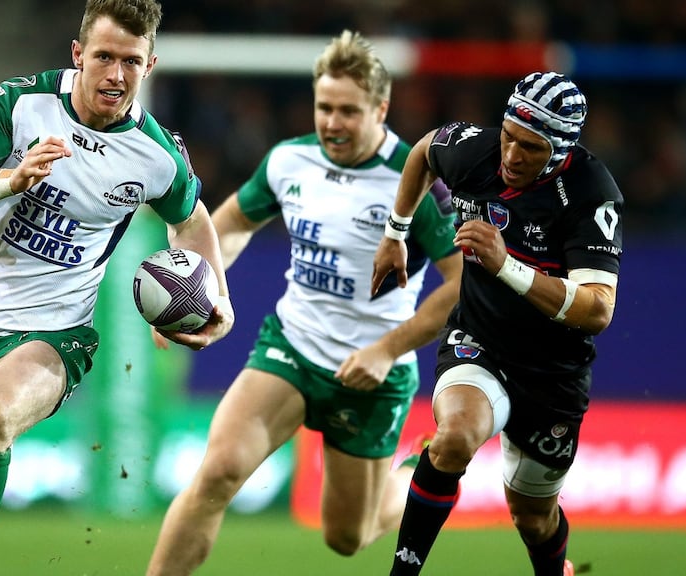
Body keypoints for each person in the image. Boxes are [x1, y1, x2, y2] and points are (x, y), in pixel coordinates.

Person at [0, 1, 234, 575]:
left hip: (56, 330)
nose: (116, 74)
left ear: (150, 64)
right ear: (78, 54)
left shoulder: (157, 153)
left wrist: (218, 298)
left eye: (131, 62)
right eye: (104, 57)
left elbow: (190, 219)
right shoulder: (22, 103)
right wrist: (10, 178)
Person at [147, 30, 462, 576]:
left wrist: (387, 350)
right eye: (324, 107)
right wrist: (202, 291)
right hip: (290, 349)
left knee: (347, 537)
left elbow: (462, 287)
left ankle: (424, 471)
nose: (332, 123)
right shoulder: (289, 160)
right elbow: (233, 223)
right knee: (217, 473)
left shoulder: (415, 183)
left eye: (347, 110)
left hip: (371, 374)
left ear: (381, 109)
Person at [372, 71, 624, 576]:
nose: (510, 155)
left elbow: (598, 309)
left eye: (529, 147)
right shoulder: (475, 152)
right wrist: (396, 232)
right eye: (508, 135)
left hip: (553, 374)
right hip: (479, 340)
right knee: (454, 437)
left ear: (559, 152)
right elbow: (423, 150)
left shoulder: (591, 194)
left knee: (532, 516)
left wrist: (505, 264)